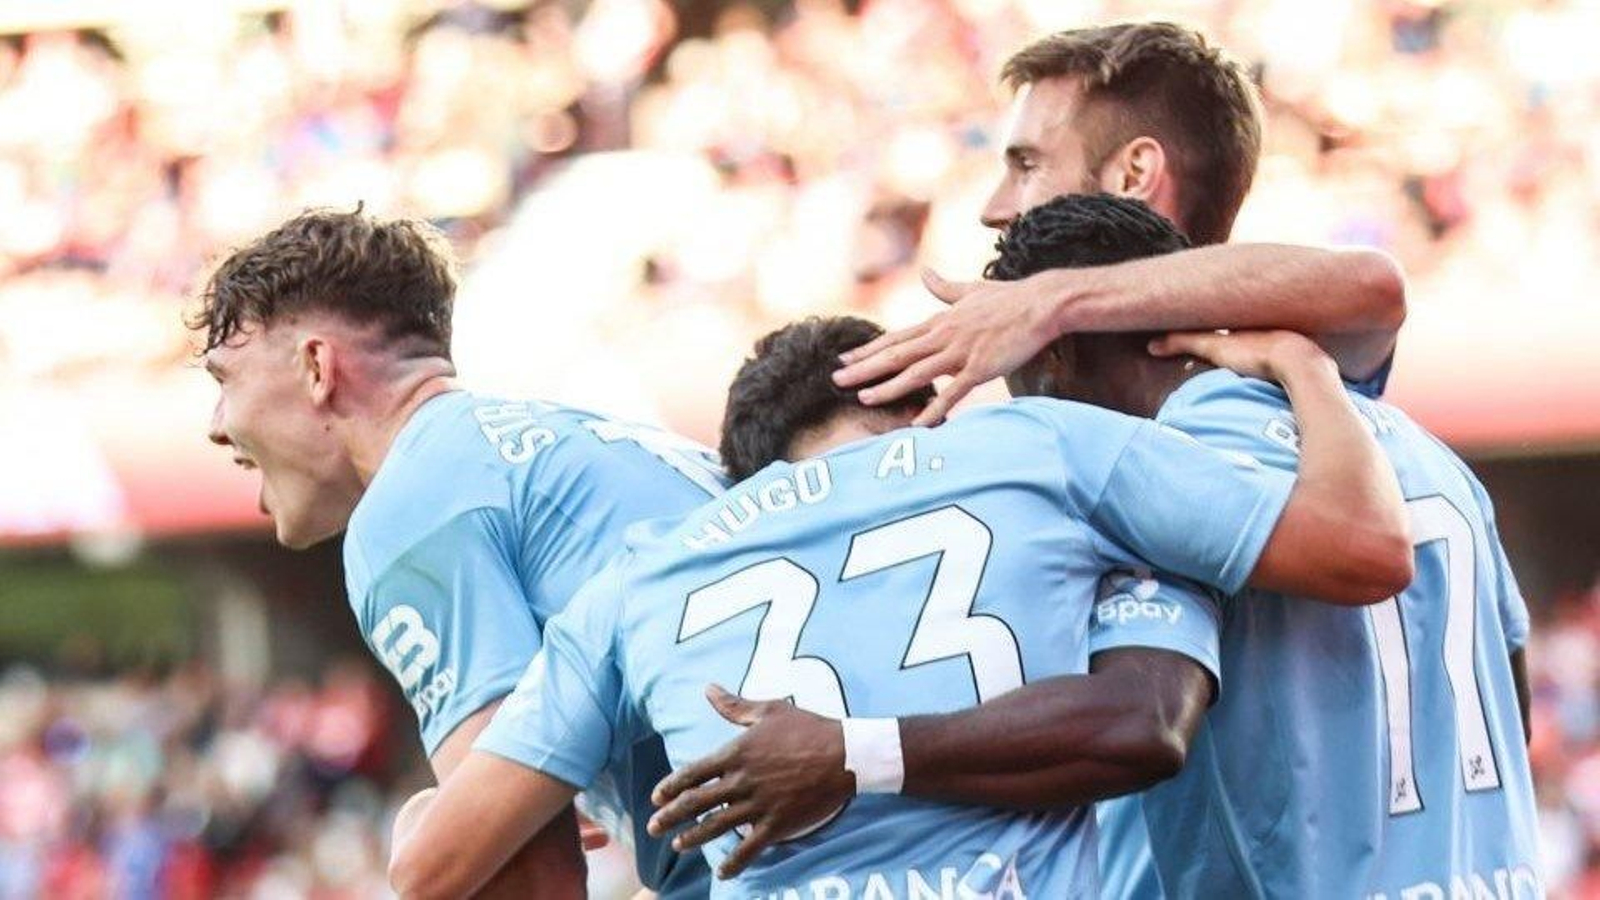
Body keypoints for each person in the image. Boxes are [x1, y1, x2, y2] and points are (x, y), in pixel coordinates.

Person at [654, 194, 1542, 897]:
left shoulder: (1166, 476)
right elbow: (1512, 698)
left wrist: (855, 753)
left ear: (1055, 357)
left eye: (1013, 375)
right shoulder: (1423, 453)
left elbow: (1142, 718)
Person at [385, 308, 1410, 897]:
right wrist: (1307, 369)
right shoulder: (1031, 447)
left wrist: (421, 818)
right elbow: (1361, 549)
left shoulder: (640, 576)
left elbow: (438, 871)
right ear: (914, 398)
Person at [193, 207, 720, 897]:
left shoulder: (410, 507)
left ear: (317, 366)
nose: (216, 427)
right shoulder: (583, 440)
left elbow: (528, 876)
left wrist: (429, 839)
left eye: (224, 380)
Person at [833, 22, 1406, 426]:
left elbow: (1373, 286)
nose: (993, 209)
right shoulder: (1043, 373)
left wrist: (1052, 298)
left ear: (1134, 173)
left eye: (1028, 165)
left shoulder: (1283, 350)